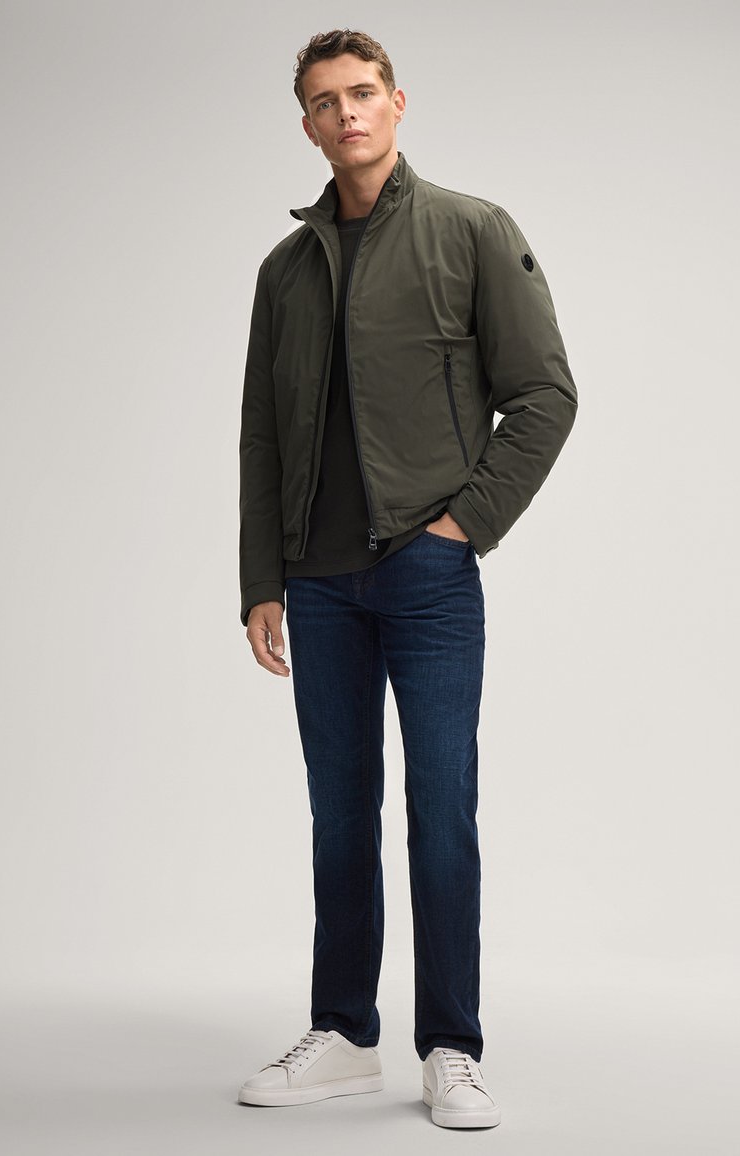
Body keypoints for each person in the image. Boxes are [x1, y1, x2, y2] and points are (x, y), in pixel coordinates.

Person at [236, 28, 578, 1130]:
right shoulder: (285, 271)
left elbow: (545, 395)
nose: (345, 112)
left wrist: (462, 526)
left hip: (427, 577)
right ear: (305, 124)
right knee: (339, 814)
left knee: (441, 809)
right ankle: (342, 1032)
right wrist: (261, 577)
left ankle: (450, 1047)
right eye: (323, 101)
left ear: (396, 102)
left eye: (362, 92)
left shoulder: (471, 230)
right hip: (318, 583)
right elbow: (261, 435)